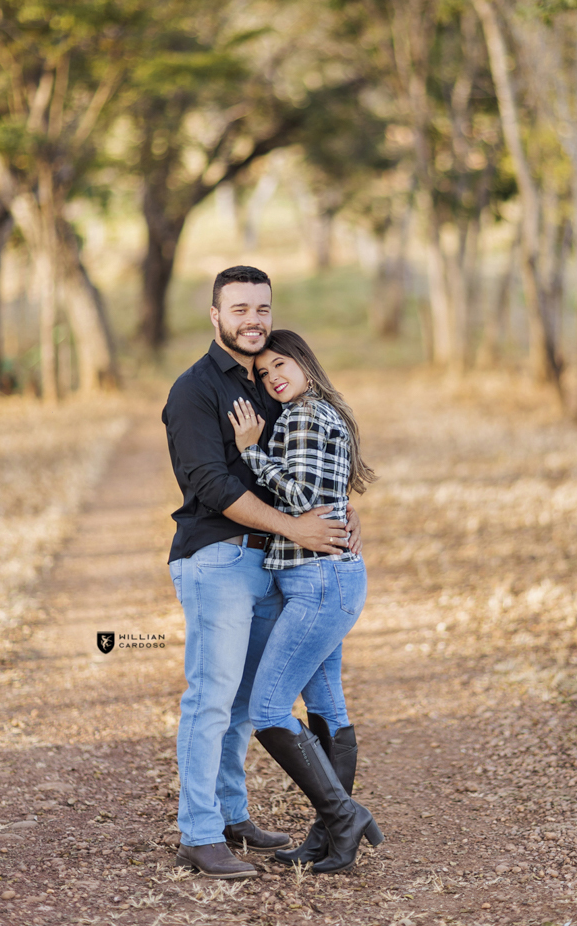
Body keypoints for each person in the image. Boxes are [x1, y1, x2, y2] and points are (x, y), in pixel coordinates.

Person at [162, 266, 362, 881]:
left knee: (250, 702)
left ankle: (232, 815)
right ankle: (198, 833)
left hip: (275, 563)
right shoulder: (195, 390)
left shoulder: (274, 384)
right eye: (239, 309)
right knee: (212, 696)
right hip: (218, 558)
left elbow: (312, 469)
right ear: (215, 316)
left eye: (262, 309)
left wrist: (340, 516)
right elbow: (209, 484)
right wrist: (295, 525)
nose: (252, 320)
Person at [227, 329, 383, 874]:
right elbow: (328, 497)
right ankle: (331, 834)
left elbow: (302, 499)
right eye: (265, 373)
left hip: (319, 583)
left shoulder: (302, 416)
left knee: (269, 709)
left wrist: (251, 450)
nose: (273, 377)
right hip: (329, 581)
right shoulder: (320, 412)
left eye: (280, 364)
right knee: (327, 707)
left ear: (305, 364)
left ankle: (343, 818)